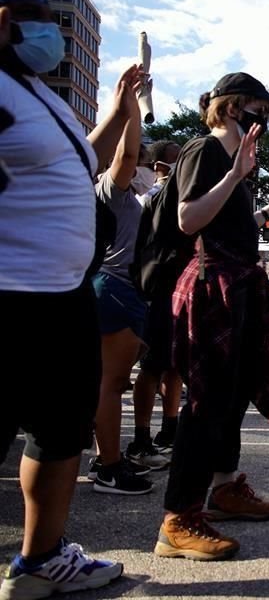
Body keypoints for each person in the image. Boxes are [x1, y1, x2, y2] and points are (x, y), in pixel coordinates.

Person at [0, 0, 136, 597]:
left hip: (63, 299)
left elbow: (80, 159)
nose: (48, 33)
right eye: (33, 16)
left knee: (60, 432)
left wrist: (118, 108)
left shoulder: (38, 94)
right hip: (10, 297)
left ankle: (41, 559)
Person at [155, 72, 269, 561]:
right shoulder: (204, 151)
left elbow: (230, 222)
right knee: (206, 401)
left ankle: (225, 486)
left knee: (231, 396)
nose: (267, 119)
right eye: (261, 109)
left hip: (237, 285)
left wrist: (267, 204)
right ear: (235, 109)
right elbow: (188, 218)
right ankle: (178, 518)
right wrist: (234, 175)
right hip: (212, 288)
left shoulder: (235, 162)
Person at [88, 60, 161, 495]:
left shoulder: (135, 196)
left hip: (125, 292)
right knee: (111, 383)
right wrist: (131, 108)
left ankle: (109, 458)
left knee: (113, 382)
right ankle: (108, 464)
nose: (143, 162)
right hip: (113, 290)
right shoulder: (110, 190)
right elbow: (127, 155)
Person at [129, 139, 183, 457]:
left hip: (179, 290)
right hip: (154, 290)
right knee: (151, 366)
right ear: (160, 167)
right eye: (177, 161)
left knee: (173, 366)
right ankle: (141, 434)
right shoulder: (148, 199)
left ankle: (170, 428)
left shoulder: (186, 198)